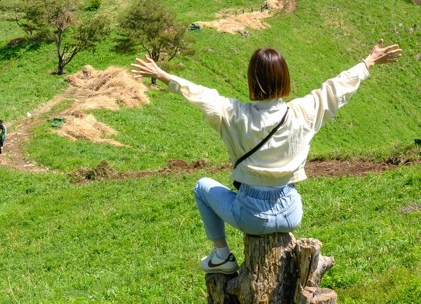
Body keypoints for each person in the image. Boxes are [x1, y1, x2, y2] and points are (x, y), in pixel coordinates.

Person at [131, 39, 401, 274]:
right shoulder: (302, 113)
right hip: (291, 211)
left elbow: (201, 96)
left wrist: (165, 76)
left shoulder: (234, 115)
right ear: (285, 79)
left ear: (251, 79)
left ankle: (221, 255)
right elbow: (335, 90)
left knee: (202, 187)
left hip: (251, 215)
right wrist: (368, 62)